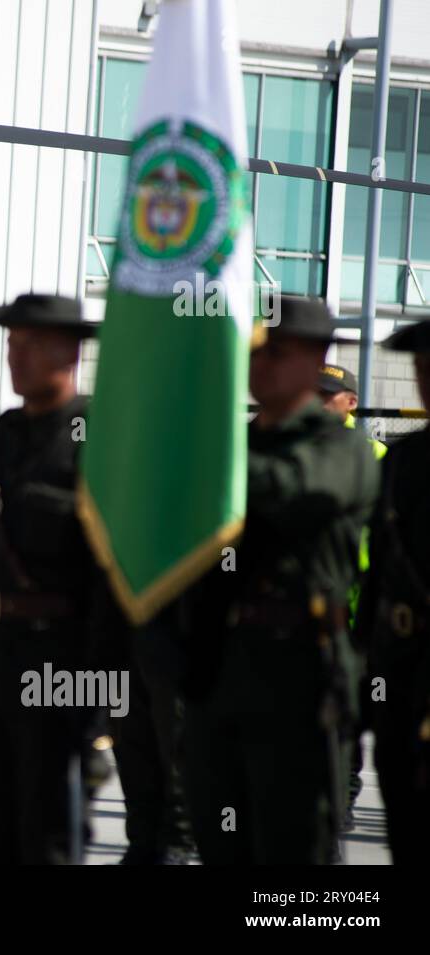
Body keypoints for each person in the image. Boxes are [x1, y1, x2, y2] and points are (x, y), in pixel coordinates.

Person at [181, 296, 379, 864]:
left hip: (303, 678)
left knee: (294, 863)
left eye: (279, 354)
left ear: (315, 359)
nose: (261, 365)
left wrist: (200, 457)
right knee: (220, 843)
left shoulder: (343, 447)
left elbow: (290, 493)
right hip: (218, 675)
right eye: (257, 353)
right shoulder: (237, 444)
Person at [0, 293, 101, 863]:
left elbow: (116, 581)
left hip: (64, 669)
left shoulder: (101, 439)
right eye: (11, 343)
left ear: (69, 351)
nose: (15, 355)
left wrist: (108, 703)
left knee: (47, 838)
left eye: (29, 344)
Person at [357, 318, 430, 864]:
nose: (426, 381)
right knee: (406, 824)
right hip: (402, 672)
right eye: (421, 370)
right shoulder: (403, 460)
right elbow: (380, 576)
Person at [316, 363, 385, 830]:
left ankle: (342, 796)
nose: (319, 401)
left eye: (329, 395)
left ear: (351, 403)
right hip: (304, 608)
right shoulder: (296, 445)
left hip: (360, 606)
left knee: (347, 712)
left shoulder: (375, 455)